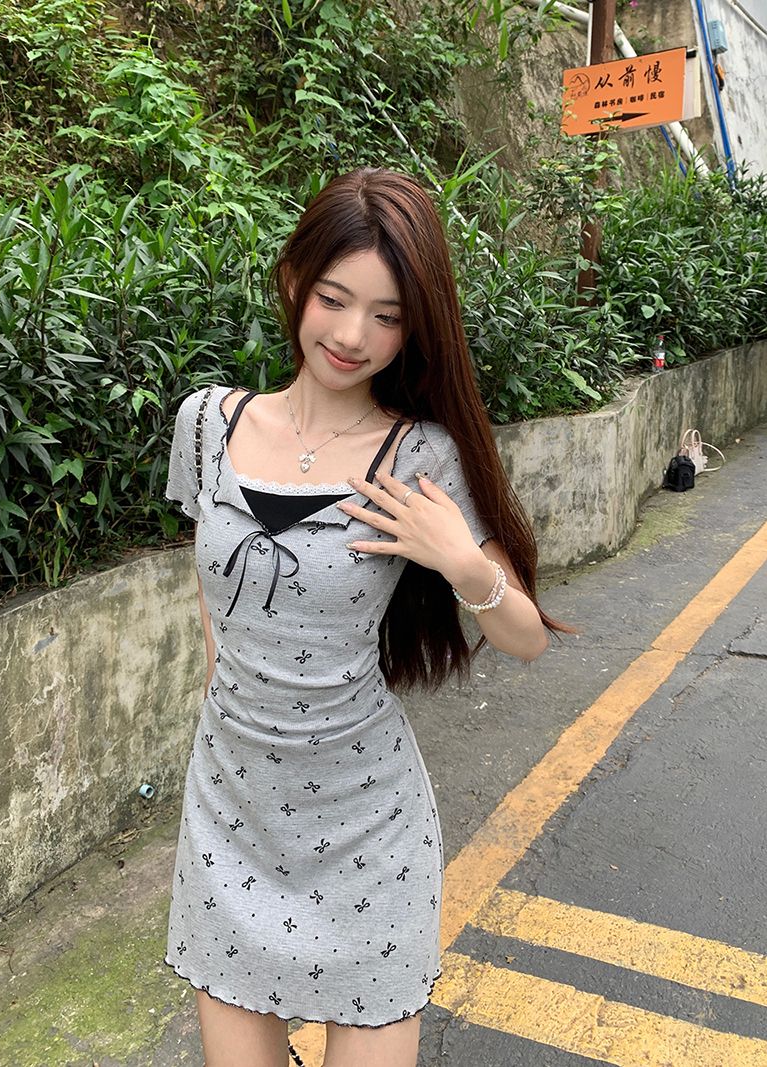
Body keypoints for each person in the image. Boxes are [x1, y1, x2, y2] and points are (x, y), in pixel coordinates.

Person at [162, 167, 568, 1067]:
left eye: (386, 315)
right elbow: (211, 586)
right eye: (334, 299)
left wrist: (461, 561)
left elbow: (528, 638)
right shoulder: (208, 425)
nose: (352, 336)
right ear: (293, 282)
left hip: (364, 829)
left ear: (415, 326)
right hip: (231, 810)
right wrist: (227, 696)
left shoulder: (420, 454)